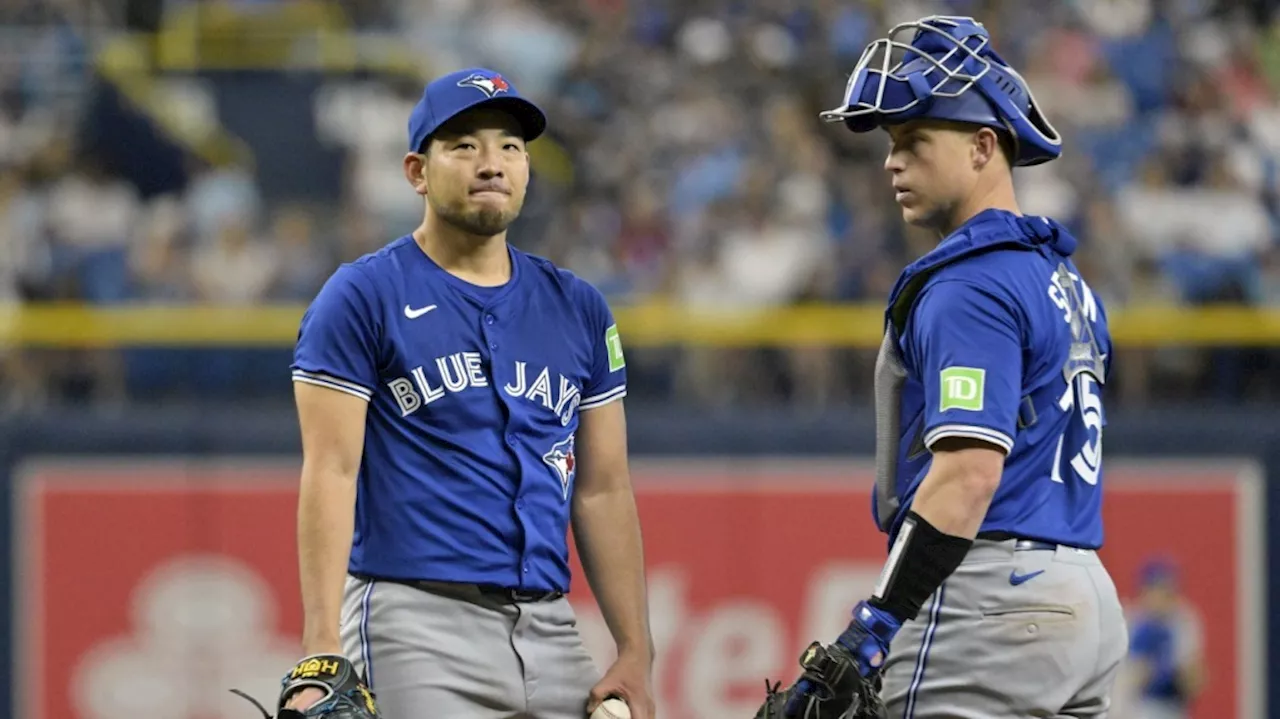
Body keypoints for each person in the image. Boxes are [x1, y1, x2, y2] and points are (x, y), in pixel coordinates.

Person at [756, 15, 1128, 719]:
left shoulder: (970, 283)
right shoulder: (1063, 278)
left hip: (990, 597)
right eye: (893, 145)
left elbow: (967, 474)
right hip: (1085, 596)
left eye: (916, 140)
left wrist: (874, 625)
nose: (893, 162)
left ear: (985, 144)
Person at [283, 67, 655, 719]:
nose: (492, 162)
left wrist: (634, 647)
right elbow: (331, 471)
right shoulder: (363, 295)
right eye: (464, 145)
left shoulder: (579, 307)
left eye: (510, 146)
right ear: (416, 172)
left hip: (551, 628)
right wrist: (322, 646)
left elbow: (603, 487)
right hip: (415, 624)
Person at [1119, 558, 1206, 719]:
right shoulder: (1129, 622)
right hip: (1134, 711)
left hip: (1172, 710)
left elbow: (1195, 682)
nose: (1161, 597)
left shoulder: (1183, 622)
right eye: (1156, 589)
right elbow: (1128, 681)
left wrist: (1176, 671)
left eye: (1167, 591)